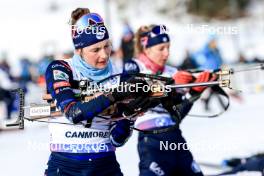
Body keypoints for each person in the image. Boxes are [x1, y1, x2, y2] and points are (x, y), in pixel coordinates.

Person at [44, 8, 148, 176]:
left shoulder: (117, 74)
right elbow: (73, 113)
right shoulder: (61, 68)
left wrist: (129, 116)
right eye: (95, 50)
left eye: (107, 46)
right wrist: (114, 94)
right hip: (65, 167)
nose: (104, 55)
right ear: (79, 50)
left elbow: (117, 140)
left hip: (105, 165)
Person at [127, 24, 216, 176]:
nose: (166, 53)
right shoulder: (133, 66)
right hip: (152, 139)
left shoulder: (172, 72)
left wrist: (193, 93)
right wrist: (169, 85)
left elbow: (176, 115)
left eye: (168, 47)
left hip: (175, 137)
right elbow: (132, 93)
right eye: (161, 48)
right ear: (147, 49)